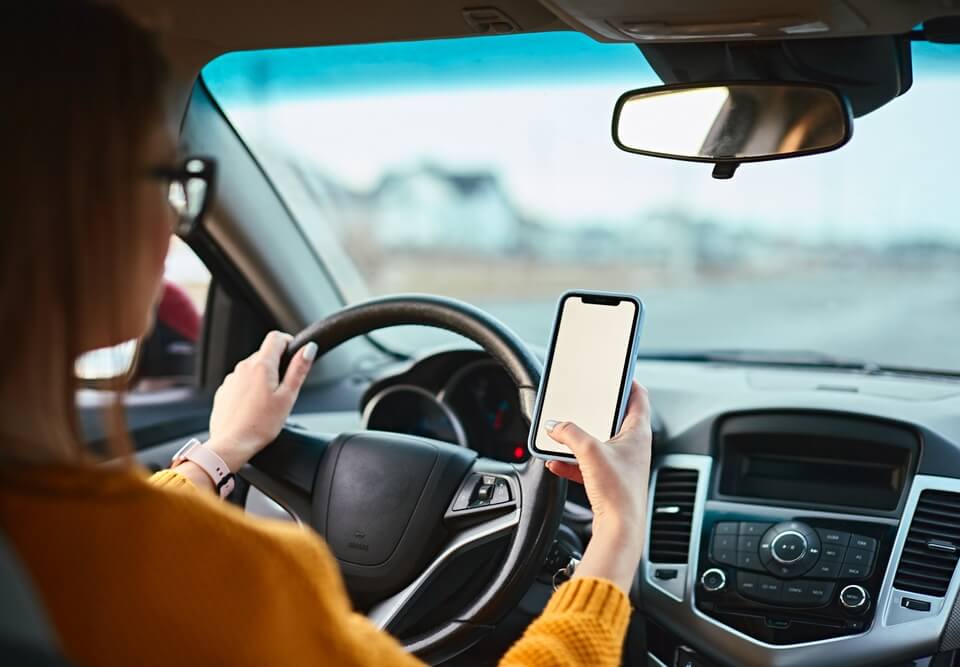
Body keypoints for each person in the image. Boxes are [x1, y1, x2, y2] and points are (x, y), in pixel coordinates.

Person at [0, 2, 653, 666]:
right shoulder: (241, 578)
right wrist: (618, 530)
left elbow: (119, 544)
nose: (172, 223)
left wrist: (222, 450)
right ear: (78, 209)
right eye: (166, 180)